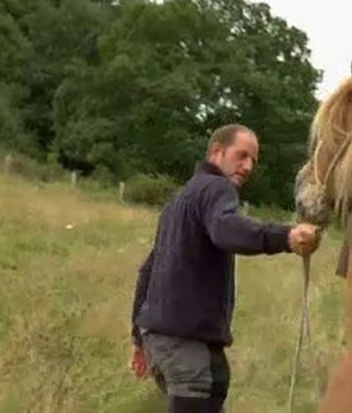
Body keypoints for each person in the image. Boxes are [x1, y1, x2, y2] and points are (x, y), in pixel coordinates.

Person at [128, 123, 320, 413]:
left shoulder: (179, 201)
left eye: (253, 160)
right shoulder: (218, 188)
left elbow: (147, 271)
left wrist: (138, 339)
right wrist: (286, 236)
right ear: (217, 152)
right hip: (184, 342)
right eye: (241, 155)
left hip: (160, 339)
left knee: (216, 382)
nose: (248, 166)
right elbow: (225, 228)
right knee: (205, 390)